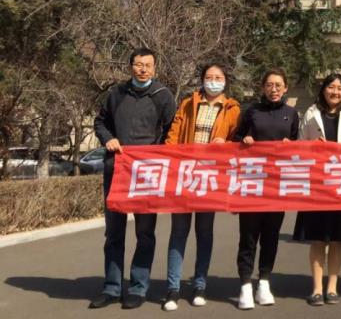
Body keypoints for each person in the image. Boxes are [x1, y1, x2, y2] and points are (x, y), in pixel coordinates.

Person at [90, 48, 177, 310]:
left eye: (148, 65)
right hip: (117, 170)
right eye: (138, 64)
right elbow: (100, 122)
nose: (143, 69)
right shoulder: (116, 94)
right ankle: (112, 288)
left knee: (145, 233)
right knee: (113, 233)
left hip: (147, 174)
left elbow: (172, 131)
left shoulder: (163, 96)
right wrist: (109, 139)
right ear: (130, 67)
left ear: (155, 68)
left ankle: (138, 288)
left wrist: (157, 153)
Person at [161, 63, 241, 311]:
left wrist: (226, 143)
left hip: (210, 178)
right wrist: (170, 160)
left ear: (225, 81)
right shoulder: (188, 103)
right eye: (209, 77)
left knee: (204, 233)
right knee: (178, 233)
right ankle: (173, 289)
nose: (213, 81)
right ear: (202, 79)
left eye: (218, 77)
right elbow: (173, 135)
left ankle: (200, 285)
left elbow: (238, 141)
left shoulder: (233, 108)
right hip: (185, 175)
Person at [294, 73, 341, 306]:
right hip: (317, 184)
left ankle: (332, 287)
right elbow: (300, 145)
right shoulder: (311, 113)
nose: (336, 92)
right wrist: (312, 147)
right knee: (318, 239)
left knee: (337, 239)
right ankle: (316, 288)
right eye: (331, 87)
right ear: (323, 89)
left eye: (340, 88)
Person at [234, 68, 299, 310]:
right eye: (269, 85)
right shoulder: (251, 111)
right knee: (248, 237)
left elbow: (298, 145)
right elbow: (235, 138)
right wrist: (244, 140)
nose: (274, 89)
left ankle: (264, 281)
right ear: (263, 87)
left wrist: (291, 145)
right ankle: (245, 284)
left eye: (278, 85)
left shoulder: (291, 114)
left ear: (285, 88)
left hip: (277, 186)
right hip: (252, 184)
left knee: (271, 236)